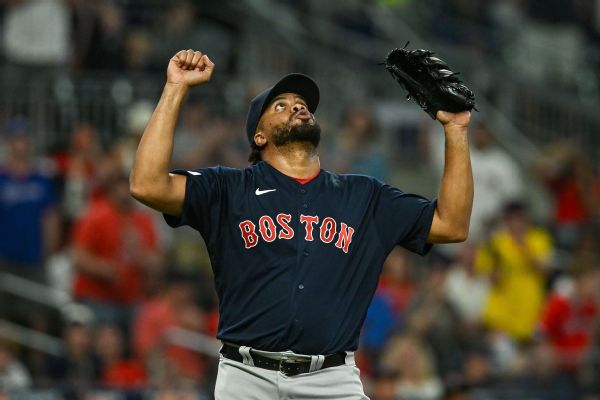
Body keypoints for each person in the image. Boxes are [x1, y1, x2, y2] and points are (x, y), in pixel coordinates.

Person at [130, 49, 473, 399]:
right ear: (258, 137)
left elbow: (452, 225)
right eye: (280, 105)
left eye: (301, 102)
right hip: (246, 377)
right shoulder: (229, 189)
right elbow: (147, 184)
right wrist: (175, 88)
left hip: (331, 380)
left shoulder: (364, 195)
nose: (297, 105)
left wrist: (456, 130)